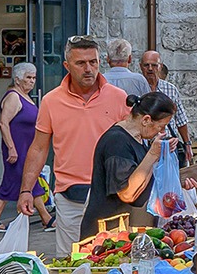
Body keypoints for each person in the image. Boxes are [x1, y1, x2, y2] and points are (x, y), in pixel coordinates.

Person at [18, 35, 131, 257]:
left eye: (93, 62)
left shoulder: (119, 98)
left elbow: (134, 142)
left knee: (113, 261)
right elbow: (39, 148)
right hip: (71, 197)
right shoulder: (51, 101)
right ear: (67, 66)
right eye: (80, 63)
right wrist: (26, 190)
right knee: (70, 262)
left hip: (112, 195)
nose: (88, 69)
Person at [80, 91, 178, 239]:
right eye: (161, 126)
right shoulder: (116, 142)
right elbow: (127, 193)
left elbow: (146, 176)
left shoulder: (138, 139)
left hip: (128, 232)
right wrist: (153, 154)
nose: (162, 131)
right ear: (146, 120)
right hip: (110, 236)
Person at [0, 63, 41, 231]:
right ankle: (46, 217)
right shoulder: (13, 97)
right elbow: (3, 123)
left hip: (25, 147)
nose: (32, 81)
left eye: (34, 78)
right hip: (16, 148)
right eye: (28, 77)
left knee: (24, 180)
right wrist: (11, 148)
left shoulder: (26, 96)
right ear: (17, 79)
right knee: (22, 180)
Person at [139, 49, 192, 152]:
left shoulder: (171, 89)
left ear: (160, 66)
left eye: (154, 65)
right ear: (140, 66)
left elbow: (181, 120)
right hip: (144, 147)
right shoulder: (136, 89)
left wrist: (187, 144)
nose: (150, 68)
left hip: (168, 146)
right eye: (146, 65)